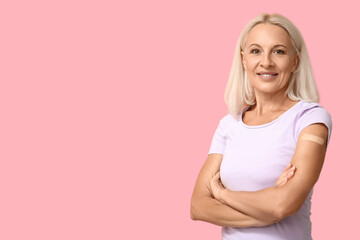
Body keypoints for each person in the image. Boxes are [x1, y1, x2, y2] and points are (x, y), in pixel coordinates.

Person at [190, 13, 332, 240]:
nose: (266, 62)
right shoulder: (229, 125)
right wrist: (266, 211)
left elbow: (282, 205)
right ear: (244, 59)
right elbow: (198, 206)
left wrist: (221, 194)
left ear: (295, 61)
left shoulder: (310, 119)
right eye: (256, 51)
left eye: (279, 51)